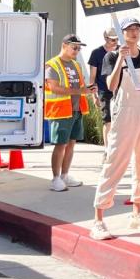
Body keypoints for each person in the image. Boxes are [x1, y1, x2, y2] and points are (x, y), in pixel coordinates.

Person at [90, 17, 140, 240]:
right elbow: (111, 86)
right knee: (115, 161)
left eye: (137, 28)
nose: (133, 32)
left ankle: (137, 212)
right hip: (125, 113)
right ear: (120, 33)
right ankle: (99, 219)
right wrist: (121, 58)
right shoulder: (111, 56)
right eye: (129, 29)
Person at [44, 35, 96, 192]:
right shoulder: (51, 65)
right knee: (61, 145)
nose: (77, 51)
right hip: (60, 111)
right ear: (64, 45)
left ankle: (65, 175)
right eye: (75, 47)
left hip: (75, 109)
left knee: (71, 144)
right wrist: (80, 90)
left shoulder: (76, 65)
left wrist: (89, 89)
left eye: (79, 48)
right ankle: (55, 178)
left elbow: (79, 85)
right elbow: (54, 88)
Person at [87, 28, 119, 147]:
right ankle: (107, 149)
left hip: (120, 90)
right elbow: (92, 77)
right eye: (112, 40)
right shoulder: (97, 53)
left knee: (121, 121)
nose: (115, 42)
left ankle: (118, 148)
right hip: (104, 91)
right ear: (105, 38)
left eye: (116, 39)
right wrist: (94, 95)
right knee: (108, 120)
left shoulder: (122, 50)